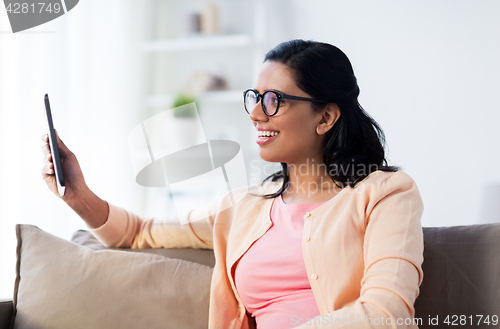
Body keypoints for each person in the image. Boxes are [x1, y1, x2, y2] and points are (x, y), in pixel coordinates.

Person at [41, 39, 424, 329]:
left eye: (274, 99)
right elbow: (141, 233)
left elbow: (386, 312)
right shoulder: (244, 206)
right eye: (254, 98)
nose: (256, 113)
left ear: (325, 117)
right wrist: (79, 196)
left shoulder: (385, 193)